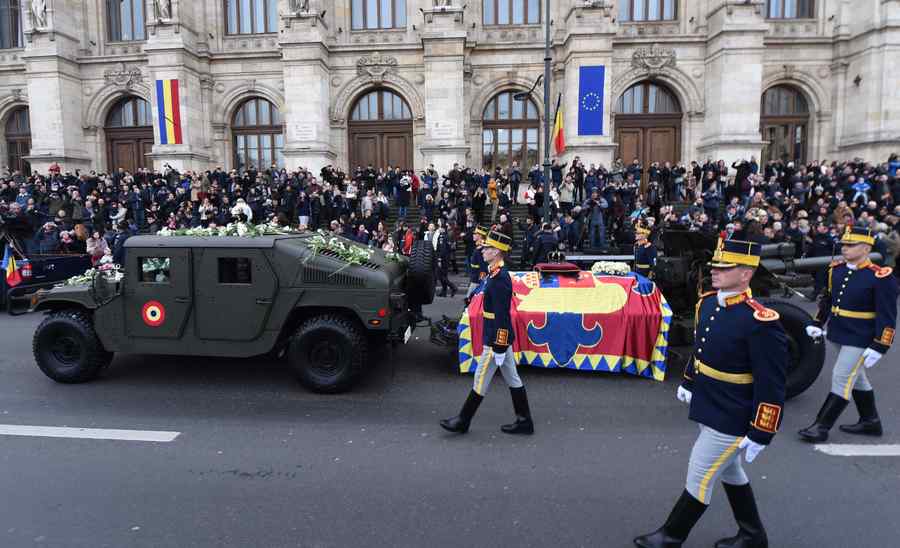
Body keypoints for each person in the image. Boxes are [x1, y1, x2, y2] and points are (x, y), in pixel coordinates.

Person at [634, 237, 787, 548]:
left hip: (734, 413)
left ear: (746, 273)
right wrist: (690, 381)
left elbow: (771, 382)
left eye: (724, 267)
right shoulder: (707, 303)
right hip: (710, 403)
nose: (715, 271)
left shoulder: (759, 321)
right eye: (715, 265)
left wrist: (762, 431)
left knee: (700, 473)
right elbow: (701, 350)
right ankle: (753, 535)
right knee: (731, 472)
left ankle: (671, 536)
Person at [799, 226, 898, 442]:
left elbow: (887, 315)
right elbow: (828, 300)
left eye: (851, 245)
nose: (845, 248)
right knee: (857, 377)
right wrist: (818, 322)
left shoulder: (880, 277)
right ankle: (870, 421)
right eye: (844, 244)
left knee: (842, 376)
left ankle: (821, 427)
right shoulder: (836, 270)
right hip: (839, 331)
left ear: (866, 248)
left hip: (861, 336)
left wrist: (880, 345)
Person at [440, 230, 534, 436]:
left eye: (488, 248)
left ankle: (463, 420)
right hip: (497, 336)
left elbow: (502, 315)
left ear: (497, 252)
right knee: (512, 378)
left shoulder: (500, 278)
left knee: (480, 378)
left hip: (495, 338)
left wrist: (499, 345)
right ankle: (525, 421)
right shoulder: (494, 273)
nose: (483, 251)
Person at [467, 225, 489, 298]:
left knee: (469, 300)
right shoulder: (478, 247)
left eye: (475, 234)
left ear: (480, 235)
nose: (473, 235)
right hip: (475, 278)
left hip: (476, 280)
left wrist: (481, 281)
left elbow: (483, 267)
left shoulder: (480, 249)